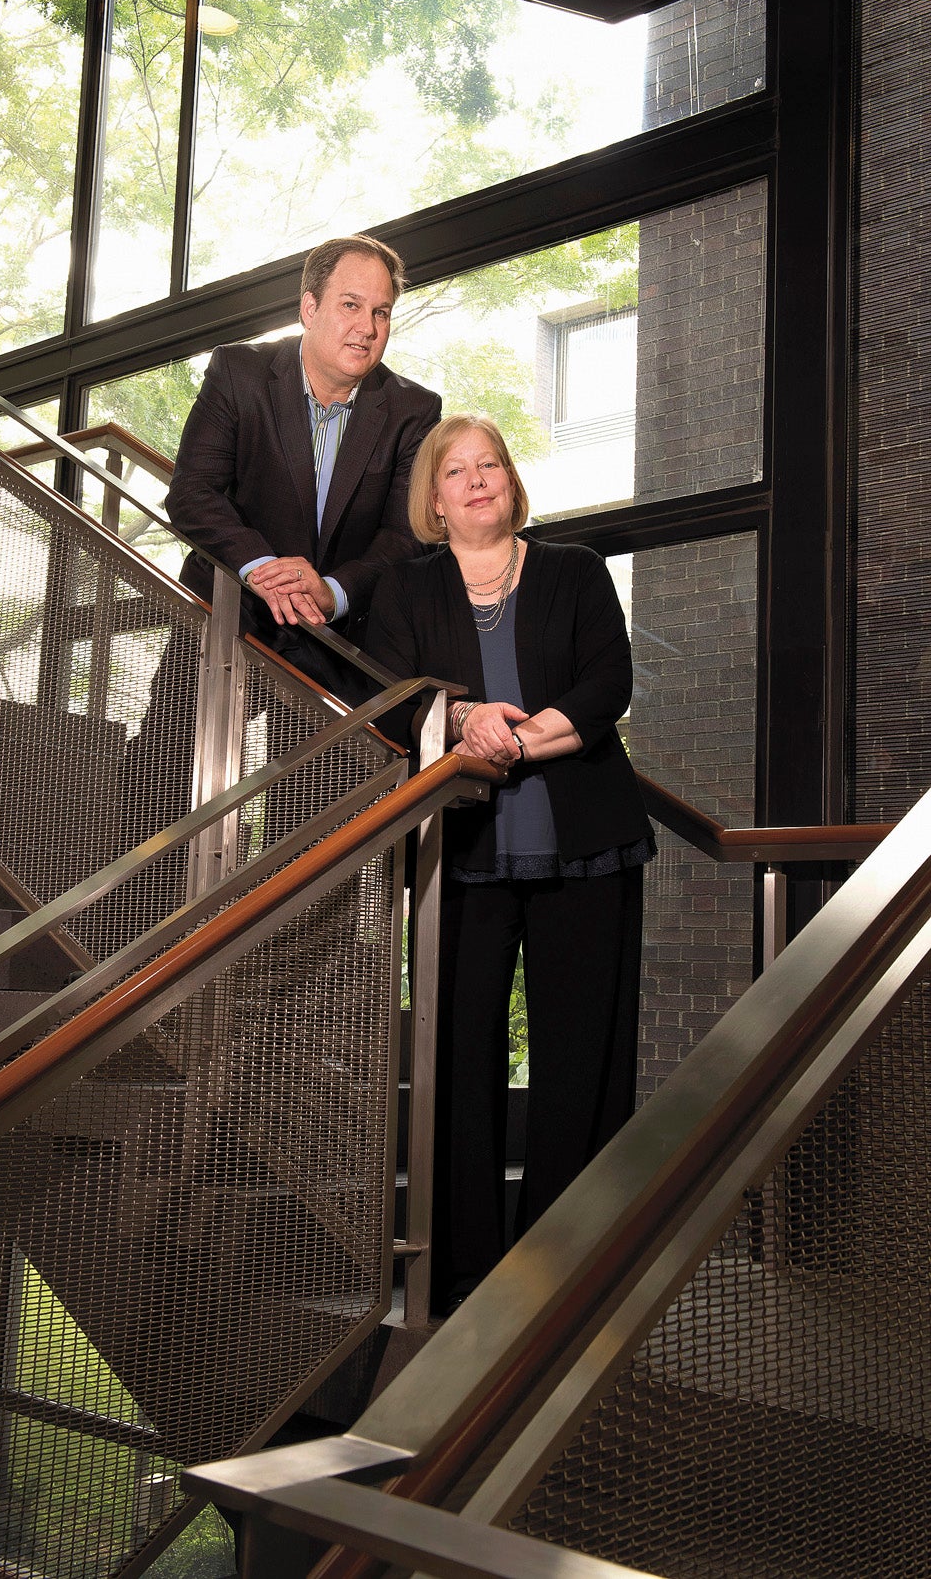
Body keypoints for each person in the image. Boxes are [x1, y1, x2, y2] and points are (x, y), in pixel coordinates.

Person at [366, 412, 655, 1313]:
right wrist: (459, 720)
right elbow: (389, 701)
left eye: (489, 464)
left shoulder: (574, 570)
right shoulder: (405, 589)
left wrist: (511, 740)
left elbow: (609, 684)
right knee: (457, 1058)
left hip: (587, 846)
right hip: (461, 853)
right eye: (457, 471)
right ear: (435, 499)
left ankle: (566, 1267)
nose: (477, 480)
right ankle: (462, 1273)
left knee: (581, 1059)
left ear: (509, 482)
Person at [166, 232, 441, 694]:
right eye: (351, 305)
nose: (368, 328)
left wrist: (331, 591)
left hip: (335, 633)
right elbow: (193, 492)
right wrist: (264, 570)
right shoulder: (239, 373)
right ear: (309, 308)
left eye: (381, 312)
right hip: (232, 606)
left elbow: (405, 535)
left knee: (317, 768)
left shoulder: (413, 410)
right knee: (163, 756)